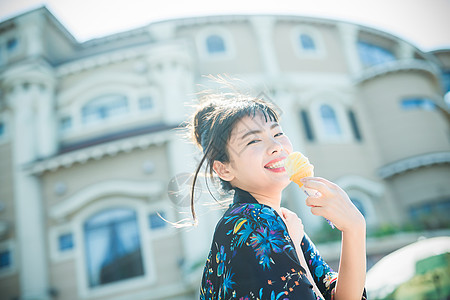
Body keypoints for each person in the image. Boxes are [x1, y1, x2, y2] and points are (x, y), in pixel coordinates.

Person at [187, 89, 367, 300]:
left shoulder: (282, 221)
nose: (276, 146)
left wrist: (354, 228)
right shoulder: (252, 220)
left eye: (278, 133)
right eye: (253, 141)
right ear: (224, 169)